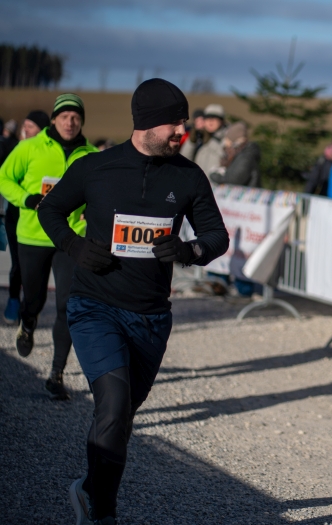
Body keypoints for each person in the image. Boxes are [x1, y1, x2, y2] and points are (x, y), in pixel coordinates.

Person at [38, 78, 229, 525]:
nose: (182, 131)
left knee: (122, 416)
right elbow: (50, 209)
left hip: (151, 317)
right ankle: (102, 514)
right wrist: (74, 246)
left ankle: (90, 489)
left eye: (184, 122)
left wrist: (188, 250)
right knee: (113, 403)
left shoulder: (188, 176)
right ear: (145, 123)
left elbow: (216, 236)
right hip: (94, 305)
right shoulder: (95, 167)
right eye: (174, 123)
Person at [0, 94, 99, 401]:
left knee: (68, 305)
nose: (70, 122)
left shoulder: (91, 155)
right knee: (34, 298)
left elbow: (102, 192)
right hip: (34, 235)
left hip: (71, 239)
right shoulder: (29, 148)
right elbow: (4, 178)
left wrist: (93, 208)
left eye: (76, 117)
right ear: (54, 119)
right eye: (65, 116)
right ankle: (28, 322)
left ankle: (56, 374)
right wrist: (26, 199)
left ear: (82, 122)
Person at [3, 110, 50, 324]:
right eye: (25, 125)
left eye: (30, 126)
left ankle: (30, 306)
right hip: (15, 215)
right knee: (17, 264)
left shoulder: (48, 153)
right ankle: (14, 298)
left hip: (40, 220)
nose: (25, 129)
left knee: (35, 270)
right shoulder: (17, 148)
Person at [208, 121, 260, 187]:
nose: (225, 142)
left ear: (233, 139)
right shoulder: (236, 154)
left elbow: (234, 180)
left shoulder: (246, 156)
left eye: (227, 139)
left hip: (245, 193)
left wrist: (215, 176)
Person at [186, 103, 226, 175]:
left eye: (214, 118)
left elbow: (223, 158)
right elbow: (184, 159)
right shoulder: (200, 137)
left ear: (221, 121)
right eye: (207, 117)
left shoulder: (227, 138)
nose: (210, 121)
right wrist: (192, 141)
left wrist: (211, 141)